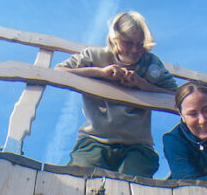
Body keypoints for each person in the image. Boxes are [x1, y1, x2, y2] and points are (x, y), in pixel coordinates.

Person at [55, 11, 177, 178]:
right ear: (114, 39)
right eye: (128, 43)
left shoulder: (151, 64)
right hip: (95, 140)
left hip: (138, 146)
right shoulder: (95, 56)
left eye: (140, 44)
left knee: (135, 186)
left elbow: (177, 95)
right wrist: (101, 73)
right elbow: (59, 71)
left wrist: (142, 84)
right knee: (79, 180)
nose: (134, 49)